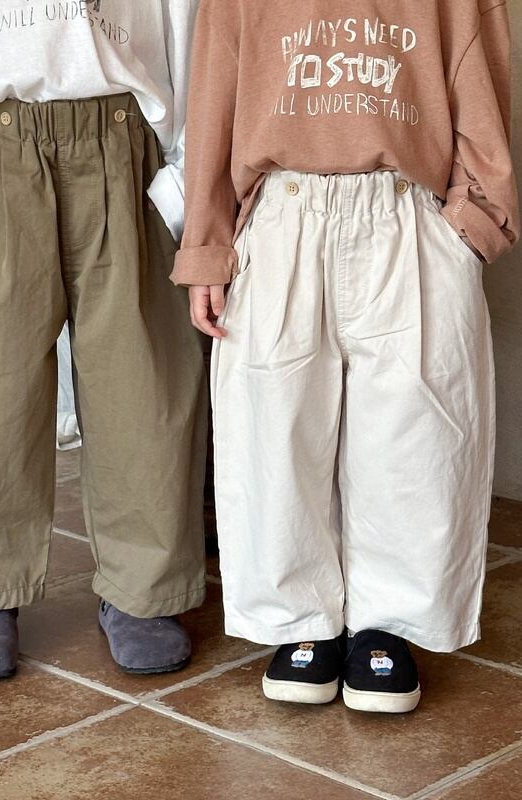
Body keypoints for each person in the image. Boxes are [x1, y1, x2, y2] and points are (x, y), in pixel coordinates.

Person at [176, 0, 519, 712]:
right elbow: (215, 98)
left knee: (413, 430)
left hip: (405, 211)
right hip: (282, 213)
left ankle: (388, 625)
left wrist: (475, 221)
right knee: (274, 427)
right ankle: (300, 620)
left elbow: (481, 84)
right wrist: (207, 244)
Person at [0, 0, 207, 680]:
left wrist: (181, 178)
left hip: (124, 142)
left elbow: (187, 24)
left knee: (142, 381)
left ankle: (144, 590)